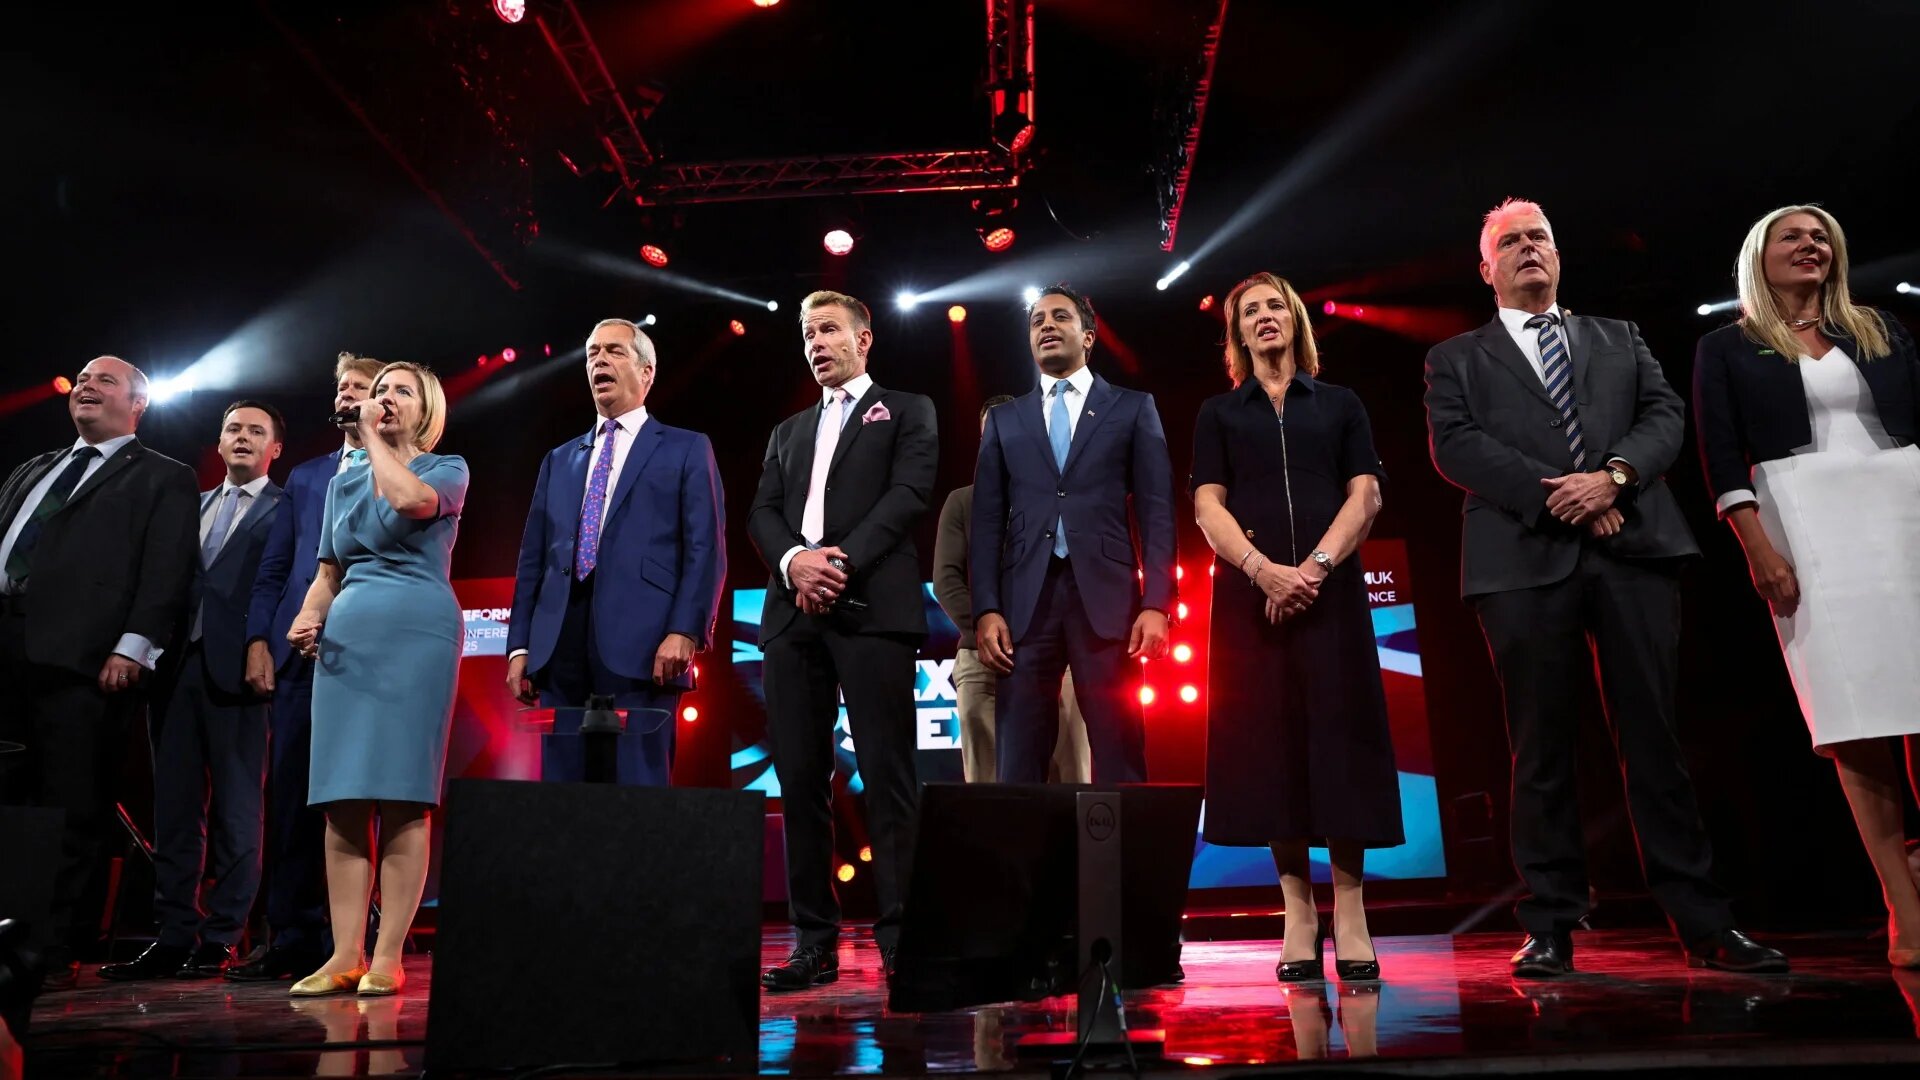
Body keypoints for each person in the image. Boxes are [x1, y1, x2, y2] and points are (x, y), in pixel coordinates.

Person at [1422, 197, 1786, 977]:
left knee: (1654, 736)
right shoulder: (1455, 358)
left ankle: (1703, 921)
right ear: (1486, 268)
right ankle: (1551, 921)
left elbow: (1663, 416)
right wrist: (1567, 496)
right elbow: (1457, 448)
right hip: (1520, 559)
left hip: (1635, 552)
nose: (1528, 249)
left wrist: (1612, 479)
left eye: (1540, 238)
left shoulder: (1619, 338)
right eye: (1510, 242)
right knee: (1540, 745)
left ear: (1558, 254)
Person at [1693, 204, 1920, 968]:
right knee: (1856, 718)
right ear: (1761, 255)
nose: (1811, 244)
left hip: (1904, 511)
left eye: (1822, 236)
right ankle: (1903, 902)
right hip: (1807, 526)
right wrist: (1756, 545)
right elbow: (1722, 460)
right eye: (1794, 235)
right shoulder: (1726, 348)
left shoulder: (1881, 329)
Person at [1191, 272, 1400, 983]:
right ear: (1238, 336)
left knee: (1340, 740)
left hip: (1331, 594)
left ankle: (1351, 909)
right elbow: (1207, 508)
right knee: (1271, 745)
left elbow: (1366, 493)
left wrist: (1310, 570)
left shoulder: (1339, 404)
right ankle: (1297, 913)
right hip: (1252, 601)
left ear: (1296, 321)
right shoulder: (1219, 414)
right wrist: (1264, 572)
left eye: (1275, 305)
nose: (1264, 317)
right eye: (1249, 311)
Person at [748, 290, 937, 990]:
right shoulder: (787, 431)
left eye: (829, 330)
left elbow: (908, 496)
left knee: (890, 777)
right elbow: (762, 513)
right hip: (793, 615)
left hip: (871, 610)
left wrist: (837, 562)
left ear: (864, 339)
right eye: (807, 333)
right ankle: (814, 943)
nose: (816, 343)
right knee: (800, 780)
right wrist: (796, 562)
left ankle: (901, 938)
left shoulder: (908, 408)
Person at [0, 356, 199, 988]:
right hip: (6, 652)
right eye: (82, 380)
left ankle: (56, 947)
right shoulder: (35, 467)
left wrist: (133, 646)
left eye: (104, 381)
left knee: (72, 806)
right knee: (12, 800)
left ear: (138, 404)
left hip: (86, 661)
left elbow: (167, 570)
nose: (86, 387)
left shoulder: (164, 476)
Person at [285, 362, 467, 997]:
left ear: (425, 411)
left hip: (416, 634)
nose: (384, 399)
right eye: (379, 389)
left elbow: (409, 501)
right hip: (349, 640)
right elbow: (329, 570)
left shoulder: (445, 468)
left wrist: (375, 445)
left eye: (400, 392)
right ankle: (344, 953)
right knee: (343, 799)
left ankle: (388, 955)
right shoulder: (343, 484)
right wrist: (309, 616)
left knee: (402, 794)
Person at [101, 402, 287, 981]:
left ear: (274, 449)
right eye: (233, 428)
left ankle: (223, 935)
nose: (242, 437)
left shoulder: (290, 509)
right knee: (176, 812)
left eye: (256, 431)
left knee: (237, 811)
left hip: (242, 674)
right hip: (176, 672)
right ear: (219, 439)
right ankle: (173, 932)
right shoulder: (193, 506)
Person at [506, 319, 726, 786]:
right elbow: (533, 559)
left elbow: (705, 547)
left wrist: (685, 630)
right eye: (591, 353)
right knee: (562, 793)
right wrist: (520, 645)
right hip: (559, 640)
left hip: (646, 644)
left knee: (638, 789)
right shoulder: (559, 459)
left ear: (647, 372)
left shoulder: (686, 448)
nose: (599, 360)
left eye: (614, 351)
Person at [971, 284, 1175, 784]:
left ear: (1088, 336)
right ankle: (1025, 865)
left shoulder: (1131, 407)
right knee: (1017, 762)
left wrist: (1156, 603)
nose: (1045, 326)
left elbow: (1157, 511)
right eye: (1037, 320)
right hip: (1024, 608)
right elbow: (986, 522)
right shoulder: (1003, 418)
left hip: (1108, 604)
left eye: (1058, 317)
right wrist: (987, 608)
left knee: (1119, 750)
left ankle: (1127, 865)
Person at [230, 354, 382, 982]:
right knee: (290, 795)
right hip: (297, 656)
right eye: (340, 386)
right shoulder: (308, 475)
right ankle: (288, 934)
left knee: (355, 797)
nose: (346, 394)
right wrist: (258, 641)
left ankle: (349, 937)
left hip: (368, 654)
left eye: (360, 387)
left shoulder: (406, 471)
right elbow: (275, 568)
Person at [931, 394, 1091, 784]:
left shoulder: (1058, 498)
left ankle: (1073, 848)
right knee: (987, 785)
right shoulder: (962, 502)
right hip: (982, 656)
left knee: (1070, 779)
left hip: (1058, 650)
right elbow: (946, 580)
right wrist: (988, 628)